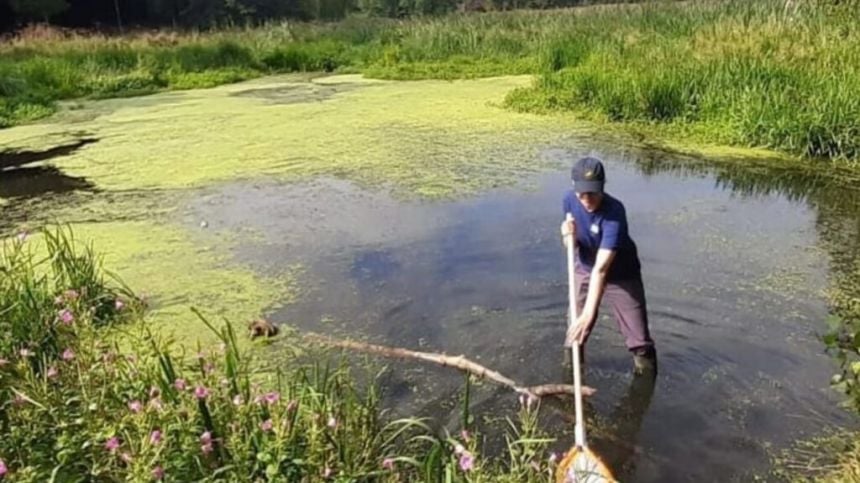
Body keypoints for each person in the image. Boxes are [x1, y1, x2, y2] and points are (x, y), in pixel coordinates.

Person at [561, 156, 657, 375]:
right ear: (574, 188)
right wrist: (567, 236)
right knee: (575, 330)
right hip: (585, 266)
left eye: (593, 192)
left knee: (639, 339)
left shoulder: (614, 212)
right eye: (582, 192)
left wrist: (589, 313)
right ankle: (571, 376)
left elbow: (602, 270)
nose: (587, 199)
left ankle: (645, 386)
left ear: (602, 187)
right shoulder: (569, 200)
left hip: (620, 272)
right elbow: (570, 245)